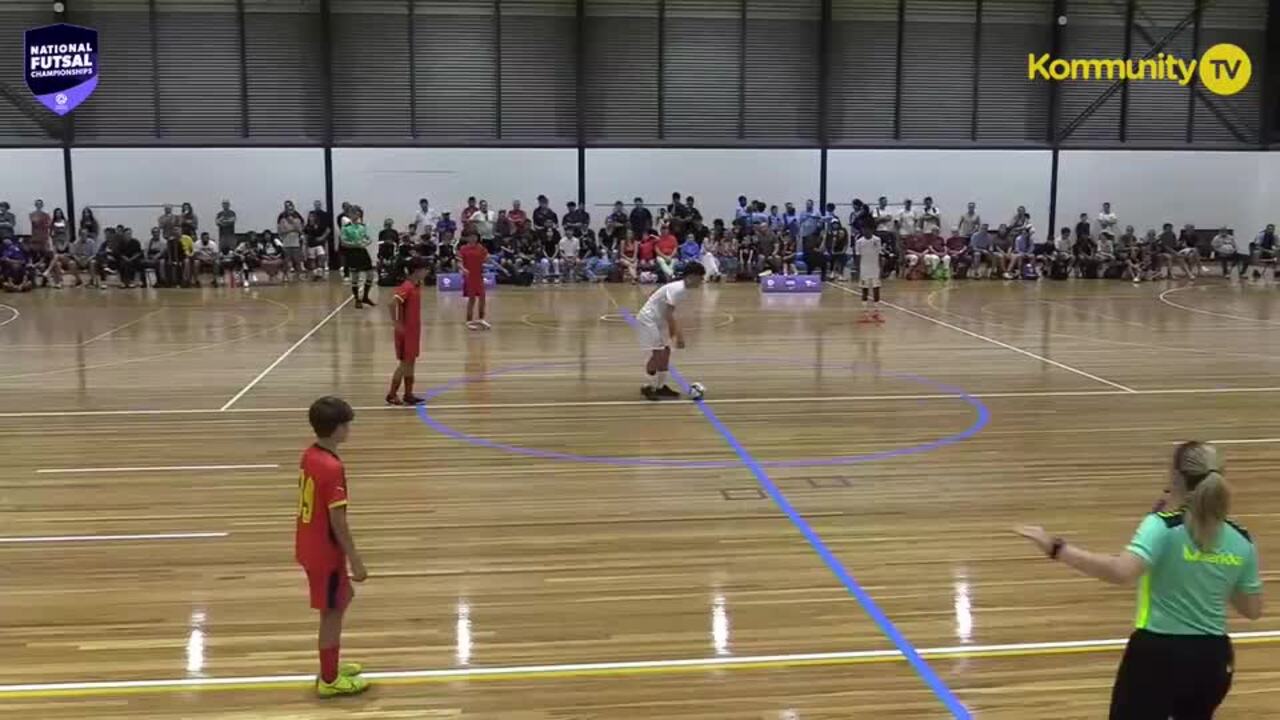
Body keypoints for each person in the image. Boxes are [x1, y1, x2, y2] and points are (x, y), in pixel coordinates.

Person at [1016, 442, 1262, 720]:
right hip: (1213, 660)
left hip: (1156, 656)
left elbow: (1121, 572)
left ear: (1176, 478)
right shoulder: (1241, 539)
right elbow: (1252, 609)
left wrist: (1056, 548)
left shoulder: (1163, 527)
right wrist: (1211, 570)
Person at [296, 396, 370, 698]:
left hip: (308, 542)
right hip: (325, 552)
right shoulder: (332, 467)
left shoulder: (310, 455)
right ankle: (329, 679)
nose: (349, 429)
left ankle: (332, 664)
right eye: (347, 424)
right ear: (338, 429)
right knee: (332, 612)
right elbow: (337, 520)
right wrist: (356, 560)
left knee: (342, 599)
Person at [635, 261, 706, 401]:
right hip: (649, 319)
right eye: (700, 278)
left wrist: (672, 334)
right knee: (658, 353)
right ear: (691, 277)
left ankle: (661, 387)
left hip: (658, 320)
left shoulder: (683, 290)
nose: (702, 281)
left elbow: (669, 313)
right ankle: (648, 386)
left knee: (665, 352)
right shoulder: (678, 289)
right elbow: (669, 314)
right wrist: (677, 336)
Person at [385, 258, 430, 406]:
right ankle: (392, 394)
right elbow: (392, 303)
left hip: (414, 331)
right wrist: (396, 323)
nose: (427, 272)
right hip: (405, 331)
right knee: (404, 364)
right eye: (425, 269)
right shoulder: (407, 286)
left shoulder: (416, 286)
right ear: (417, 271)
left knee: (411, 362)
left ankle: (408, 394)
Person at [340, 210, 375, 308]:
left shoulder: (362, 226)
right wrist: (354, 244)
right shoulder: (346, 228)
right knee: (355, 277)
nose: (356, 215)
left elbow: (367, 238)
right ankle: (357, 299)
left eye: (358, 214)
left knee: (370, 274)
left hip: (362, 252)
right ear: (350, 215)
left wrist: (367, 242)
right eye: (354, 213)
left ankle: (365, 297)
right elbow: (343, 242)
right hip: (352, 253)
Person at [459, 233, 491, 330]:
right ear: (467, 238)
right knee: (471, 299)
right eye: (471, 236)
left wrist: (487, 259)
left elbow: (486, 259)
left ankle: (481, 318)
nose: (473, 238)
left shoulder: (481, 248)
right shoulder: (463, 249)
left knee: (482, 297)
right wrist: (463, 269)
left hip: (479, 275)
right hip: (469, 276)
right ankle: (469, 320)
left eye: (475, 237)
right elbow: (459, 262)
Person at [854, 226, 883, 323]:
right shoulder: (859, 242)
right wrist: (858, 269)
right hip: (864, 269)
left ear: (871, 230)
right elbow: (857, 256)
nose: (866, 231)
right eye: (864, 229)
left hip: (875, 268)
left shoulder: (877, 240)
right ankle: (865, 313)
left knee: (876, 289)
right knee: (865, 290)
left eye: (867, 229)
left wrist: (880, 268)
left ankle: (876, 312)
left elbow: (879, 254)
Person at [278, 201, 306, 281]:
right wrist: (292, 229)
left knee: (297, 260)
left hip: (296, 242)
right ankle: (285, 276)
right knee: (286, 261)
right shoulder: (282, 219)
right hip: (286, 242)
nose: (289, 211)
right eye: (288, 209)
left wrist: (293, 223)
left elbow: (300, 229)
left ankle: (299, 275)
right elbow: (281, 230)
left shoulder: (297, 218)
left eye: (291, 209)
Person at [304, 201, 331, 281]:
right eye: (310, 216)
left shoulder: (320, 224)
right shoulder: (307, 227)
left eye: (312, 216)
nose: (311, 217)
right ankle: (315, 275)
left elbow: (328, 229)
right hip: (310, 245)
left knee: (321, 257)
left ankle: (320, 272)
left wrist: (322, 237)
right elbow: (305, 236)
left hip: (319, 244)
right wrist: (304, 246)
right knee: (312, 260)